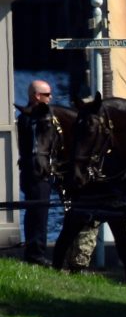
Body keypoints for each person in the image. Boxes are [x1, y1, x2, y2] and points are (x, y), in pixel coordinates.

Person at [16, 81, 54, 266]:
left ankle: (34, 249)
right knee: (39, 212)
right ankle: (36, 252)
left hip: (30, 171)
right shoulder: (32, 118)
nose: (51, 98)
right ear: (37, 96)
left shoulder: (26, 117)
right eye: (47, 95)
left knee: (35, 211)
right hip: (36, 172)